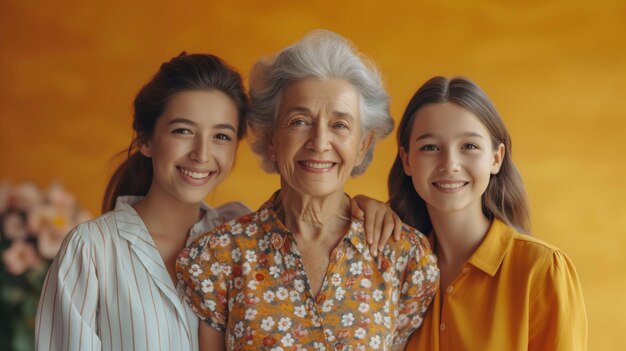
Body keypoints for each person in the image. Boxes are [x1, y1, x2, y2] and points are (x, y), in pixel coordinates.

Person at [34, 52, 401, 351]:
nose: (201, 154)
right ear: (146, 140)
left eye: (222, 136)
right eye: (183, 131)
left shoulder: (241, 235)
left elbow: (314, 208)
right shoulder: (92, 251)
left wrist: (363, 205)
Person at [177, 30, 439, 351]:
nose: (319, 142)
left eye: (340, 125)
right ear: (271, 139)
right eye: (300, 121)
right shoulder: (218, 256)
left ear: (362, 145)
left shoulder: (405, 257)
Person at [389, 76, 587, 350]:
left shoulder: (541, 270)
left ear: (496, 158)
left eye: (469, 146)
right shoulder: (394, 270)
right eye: (430, 147)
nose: (450, 164)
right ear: (407, 160)